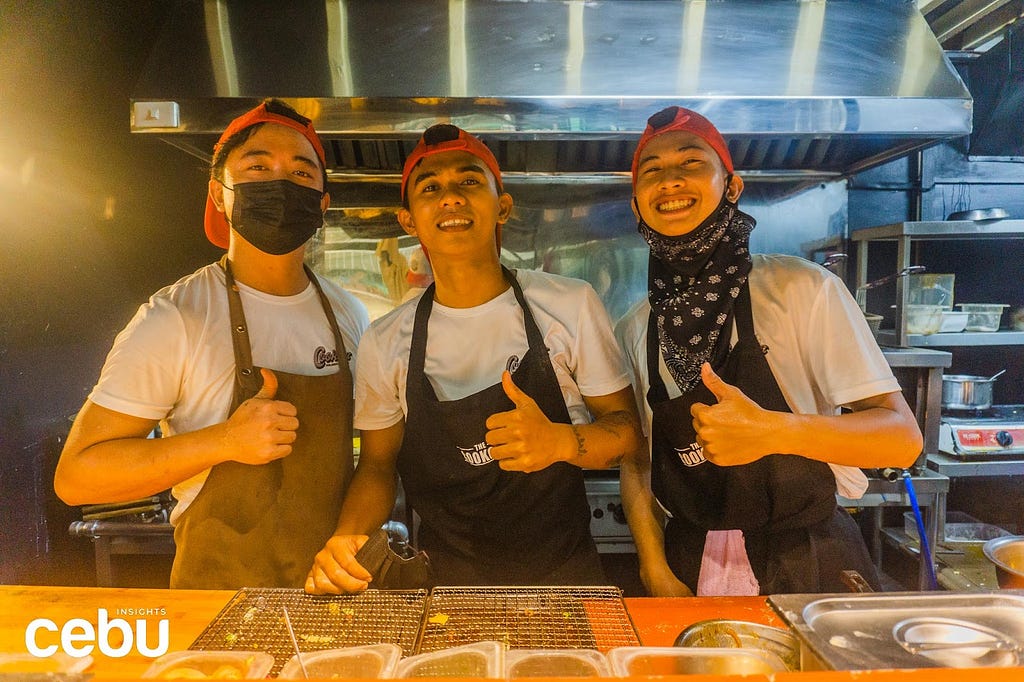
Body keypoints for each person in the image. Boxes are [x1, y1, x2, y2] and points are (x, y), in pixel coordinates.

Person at [305, 124, 641, 592]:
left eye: (469, 181)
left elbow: (629, 434)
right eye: (431, 188)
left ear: (502, 206)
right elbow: (379, 465)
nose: (451, 198)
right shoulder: (385, 341)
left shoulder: (570, 304)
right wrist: (346, 538)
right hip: (444, 586)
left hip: (566, 579)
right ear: (408, 221)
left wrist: (561, 442)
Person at [54, 99, 369, 589]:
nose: (280, 184)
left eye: (302, 173)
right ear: (219, 195)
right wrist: (225, 441)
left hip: (333, 594)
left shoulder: (349, 314)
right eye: (257, 167)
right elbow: (78, 476)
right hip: (218, 603)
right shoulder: (176, 317)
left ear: (323, 203)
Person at [615, 106, 923, 596]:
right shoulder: (637, 326)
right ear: (636, 205)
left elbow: (901, 438)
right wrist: (653, 568)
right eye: (652, 171)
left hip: (809, 556)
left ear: (731, 187)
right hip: (688, 559)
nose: (670, 181)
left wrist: (774, 431)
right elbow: (638, 462)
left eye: (691, 163)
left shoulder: (802, 288)